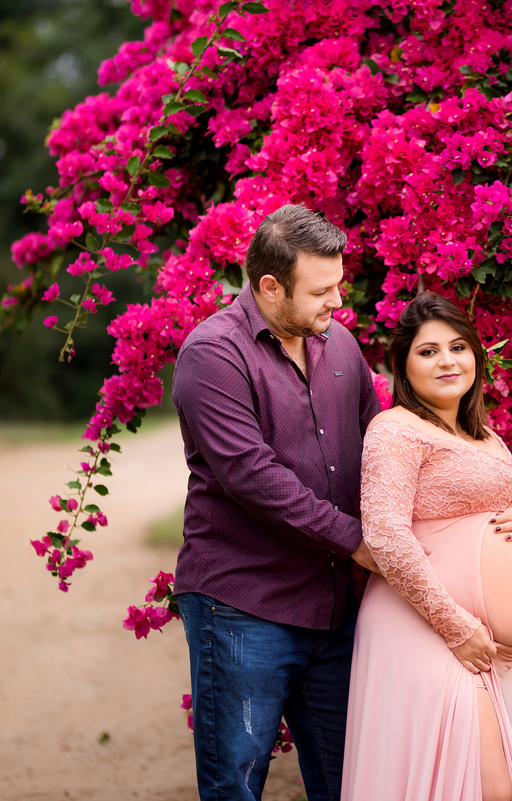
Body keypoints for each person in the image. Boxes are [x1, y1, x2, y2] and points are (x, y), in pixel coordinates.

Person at [170, 204, 382, 801]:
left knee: (354, 784)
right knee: (236, 786)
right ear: (268, 286)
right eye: (321, 290)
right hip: (244, 605)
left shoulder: (340, 345)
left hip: (334, 609)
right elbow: (254, 478)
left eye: (339, 284)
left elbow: (383, 445)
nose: (337, 302)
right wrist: (360, 543)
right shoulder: (212, 355)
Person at [343, 292, 512, 801]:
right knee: (485, 788)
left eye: (457, 347)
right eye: (428, 351)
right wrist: (456, 627)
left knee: (476, 789)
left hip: (480, 645)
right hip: (427, 629)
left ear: (476, 357)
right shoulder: (396, 430)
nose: (447, 361)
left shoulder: (486, 437)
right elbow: (386, 534)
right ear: (402, 365)